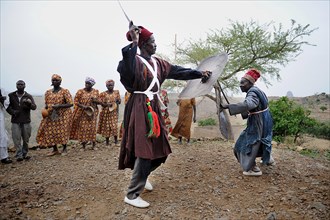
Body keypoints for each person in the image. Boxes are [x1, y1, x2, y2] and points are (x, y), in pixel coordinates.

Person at [117, 22, 212, 208]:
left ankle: (143, 176)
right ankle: (132, 194)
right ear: (143, 44)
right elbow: (127, 71)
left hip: (153, 107)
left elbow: (178, 71)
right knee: (144, 150)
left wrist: (199, 73)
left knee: (161, 150)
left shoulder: (159, 63)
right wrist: (133, 41)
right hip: (138, 107)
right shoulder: (132, 61)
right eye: (152, 42)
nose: (155, 44)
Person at [221, 69, 274, 176]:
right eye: (240, 83)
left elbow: (250, 103)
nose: (240, 85)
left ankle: (252, 168)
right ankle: (267, 158)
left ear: (250, 83)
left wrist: (229, 107)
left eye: (243, 83)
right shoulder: (257, 90)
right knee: (260, 141)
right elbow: (254, 105)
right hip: (265, 120)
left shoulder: (252, 92)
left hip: (258, 123)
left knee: (242, 145)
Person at [36, 74, 73, 156]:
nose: (55, 82)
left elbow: (70, 104)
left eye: (57, 80)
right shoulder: (48, 92)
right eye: (53, 80)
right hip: (51, 114)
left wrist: (59, 106)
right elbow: (47, 104)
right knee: (51, 131)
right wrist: (45, 110)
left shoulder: (65, 91)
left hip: (63, 114)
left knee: (62, 131)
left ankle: (64, 148)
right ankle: (55, 149)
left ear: (60, 82)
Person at [6, 80, 36, 161]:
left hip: (26, 121)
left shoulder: (28, 96)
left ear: (24, 86)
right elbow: (7, 106)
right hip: (15, 121)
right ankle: (19, 155)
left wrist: (29, 104)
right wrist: (13, 112)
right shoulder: (11, 95)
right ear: (16, 86)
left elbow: (34, 107)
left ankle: (24, 153)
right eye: (18, 84)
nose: (20, 86)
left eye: (21, 84)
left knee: (26, 139)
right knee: (16, 139)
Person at [70, 77, 99, 149]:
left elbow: (99, 101)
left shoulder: (96, 91)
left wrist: (95, 100)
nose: (87, 85)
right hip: (82, 113)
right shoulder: (80, 91)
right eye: (86, 83)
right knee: (83, 128)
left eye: (89, 83)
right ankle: (83, 146)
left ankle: (93, 145)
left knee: (92, 128)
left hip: (92, 113)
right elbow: (76, 102)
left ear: (92, 85)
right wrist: (83, 106)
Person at [97, 80, 121, 146]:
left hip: (113, 112)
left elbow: (119, 101)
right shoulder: (103, 94)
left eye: (112, 85)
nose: (111, 86)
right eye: (109, 85)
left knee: (114, 126)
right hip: (106, 113)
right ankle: (107, 142)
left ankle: (116, 141)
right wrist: (107, 105)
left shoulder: (116, 92)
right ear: (106, 86)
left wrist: (117, 101)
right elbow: (100, 102)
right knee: (107, 127)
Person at [0, 88, 12, 164]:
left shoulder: (1, 90)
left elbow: (6, 103)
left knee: (2, 135)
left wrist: (2, 99)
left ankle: (4, 156)